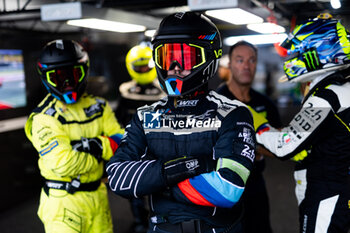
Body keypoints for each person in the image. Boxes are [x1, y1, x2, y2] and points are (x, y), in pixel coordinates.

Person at [106, 11, 256, 233]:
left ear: (209, 57)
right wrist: (182, 169)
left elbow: (227, 189)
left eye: (185, 57)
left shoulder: (232, 114)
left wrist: (154, 183)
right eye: (167, 57)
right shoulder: (145, 116)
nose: (174, 67)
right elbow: (117, 176)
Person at [253, 14, 350, 233]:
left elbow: (284, 146)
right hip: (340, 190)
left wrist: (257, 127)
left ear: (317, 52)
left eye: (300, 52)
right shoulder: (342, 88)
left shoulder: (327, 97)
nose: (295, 57)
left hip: (327, 194)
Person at [24, 39, 124, 233]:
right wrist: (103, 149)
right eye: (58, 78)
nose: (67, 84)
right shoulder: (43, 118)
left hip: (99, 197)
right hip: (63, 204)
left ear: (84, 71)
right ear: (45, 78)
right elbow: (63, 164)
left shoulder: (100, 106)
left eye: (73, 75)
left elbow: (122, 145)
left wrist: (88, 146)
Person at [217, 41, 282, 233]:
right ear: (230, 65)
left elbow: (281, 145)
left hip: (255, 184)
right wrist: (258, 144)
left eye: (251, 60)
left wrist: (244, 144)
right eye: (240, 60)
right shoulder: (216, 102)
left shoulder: (266, 104)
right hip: (223, 184)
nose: (246, 66)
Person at [115, 42, 165, 233]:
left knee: (157, 185)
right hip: (133, 147)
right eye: (140, 66)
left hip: (157, 146)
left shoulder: (163, 89)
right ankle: (139, 221)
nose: (144, 69)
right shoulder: (125, 90)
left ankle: (156, 220)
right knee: (133, 187)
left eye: (147, 66)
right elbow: (117, 119)